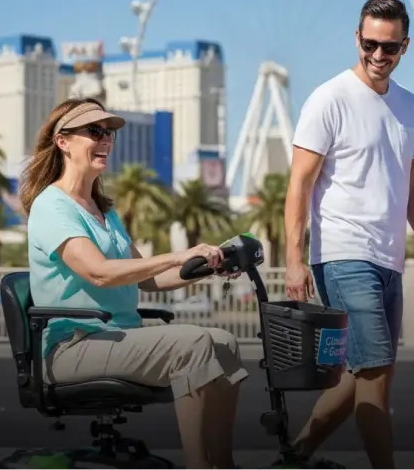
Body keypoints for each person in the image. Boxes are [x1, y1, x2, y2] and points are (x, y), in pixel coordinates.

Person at [18, 97, 248, 470]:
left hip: (116, 335)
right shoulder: (53, 206)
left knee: (226, 343)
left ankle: (222, 463)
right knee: (192, 344)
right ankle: (197, 465)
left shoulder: (103, 210)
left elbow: (151, 277)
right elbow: (99, 272)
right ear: (63, 141)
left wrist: (207, 266)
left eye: (109, 133)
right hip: (73, 345)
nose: (106, 140)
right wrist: (175, 254)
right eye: (95, 131)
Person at [283, 0, 414, 470]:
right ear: (357, 38)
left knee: (365, 373)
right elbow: (299, 186)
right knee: (374, 371)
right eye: (370, 44)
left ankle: (295, 454)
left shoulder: (409, 105)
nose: (379, 55)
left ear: (405, 47)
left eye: (389, 48)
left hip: (390, 258)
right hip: (342, 253)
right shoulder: (328, 98)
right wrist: (295, 258)